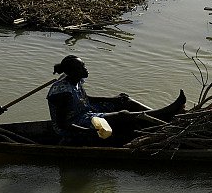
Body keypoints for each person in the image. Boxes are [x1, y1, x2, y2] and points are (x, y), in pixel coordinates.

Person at [46, 55, 185, 145]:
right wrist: (87, 132)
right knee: (122, 115)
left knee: (124, 101)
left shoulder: (75, 80)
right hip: (75, 123)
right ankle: (165, 114)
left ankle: (161, 115)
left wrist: (113, 99)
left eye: (84, 66)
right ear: (73, 72)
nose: (86, 69)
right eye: (81, 68)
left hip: (85, 110)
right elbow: (63, 124)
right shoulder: (62, 93)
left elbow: (84, 99)